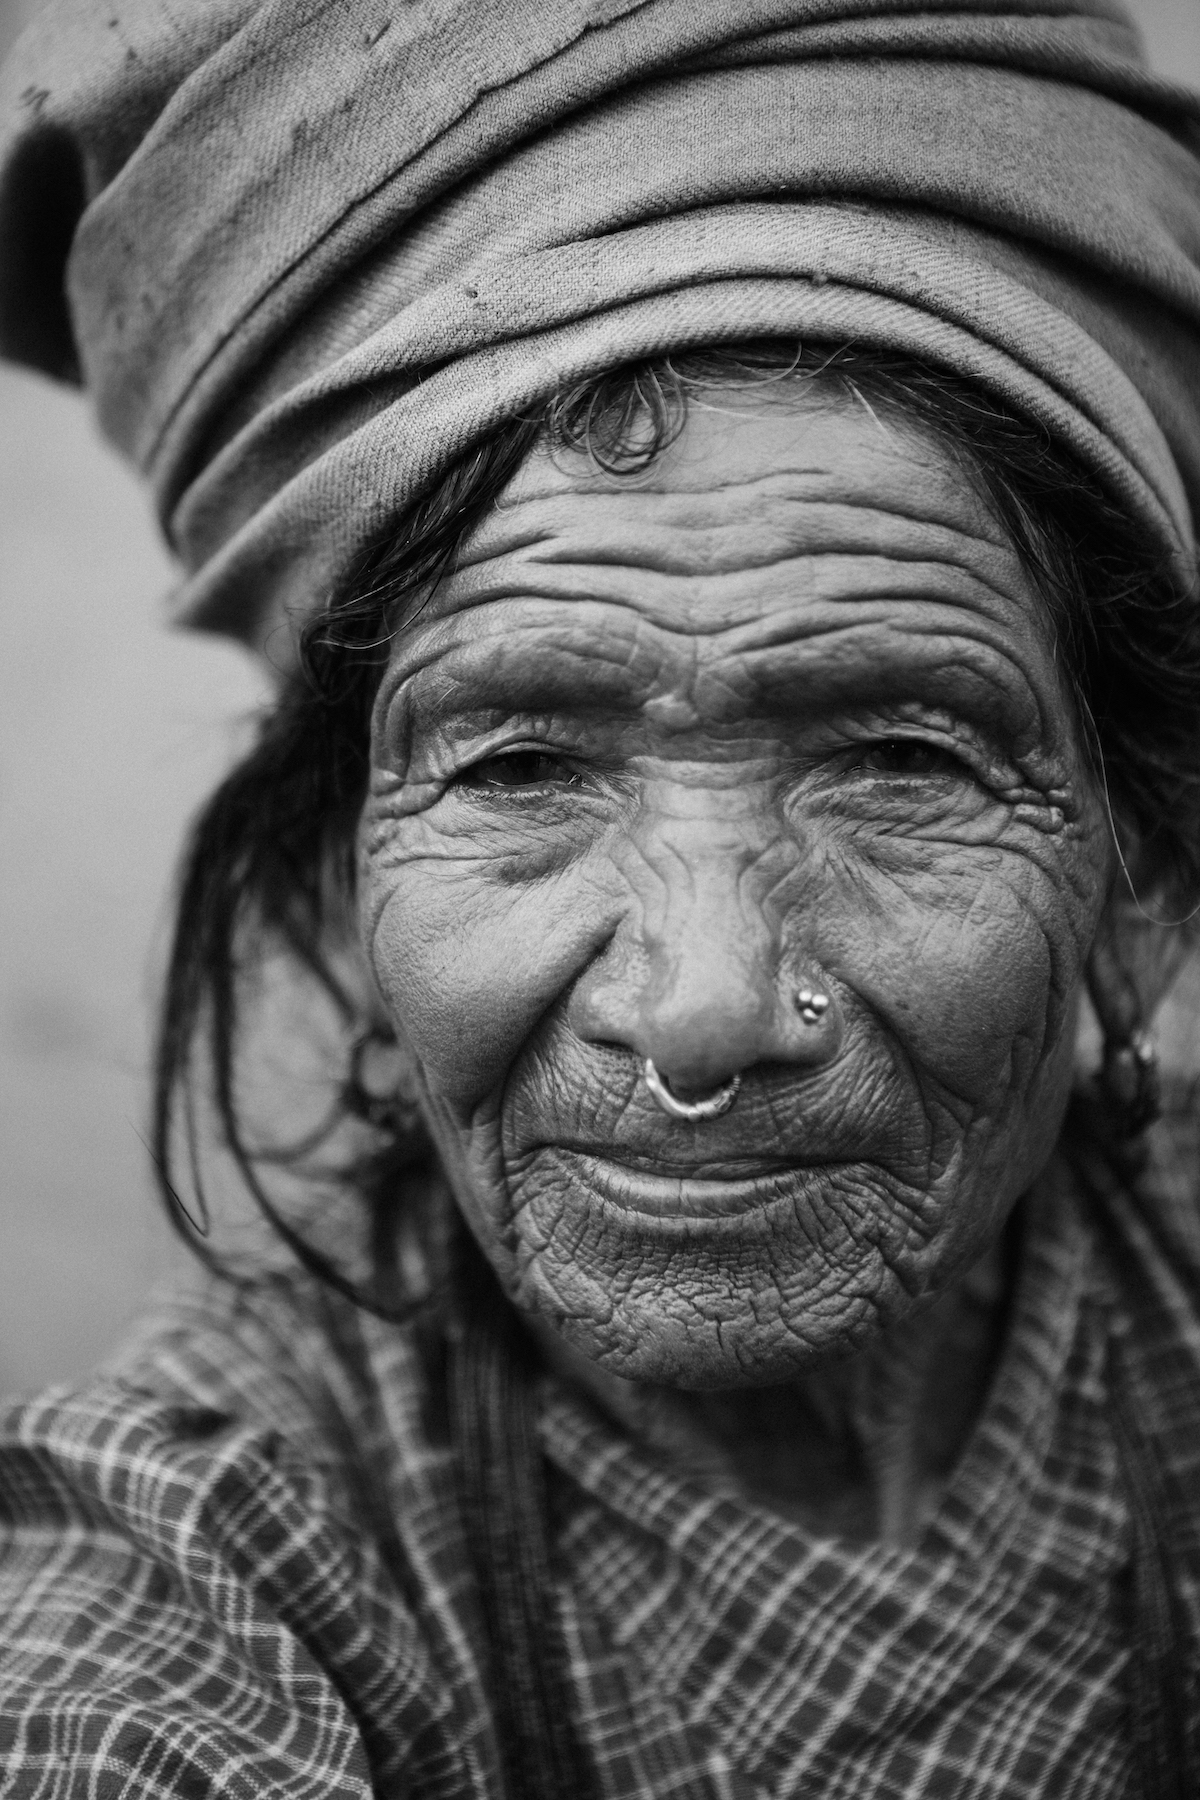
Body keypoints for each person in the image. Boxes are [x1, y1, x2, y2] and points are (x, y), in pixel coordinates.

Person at [2, 0, 1200, 1793]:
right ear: (343, 899)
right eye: (516, 770)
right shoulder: (200, 1558)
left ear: (1141, 884)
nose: (704, 1006)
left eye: (901, 761)